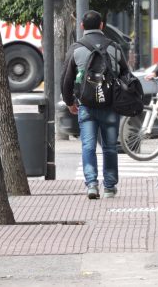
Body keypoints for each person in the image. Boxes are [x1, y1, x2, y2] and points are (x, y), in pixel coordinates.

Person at [61, 10, 131, 200]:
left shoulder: (76, 48)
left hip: (87, 105)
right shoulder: (115, 48)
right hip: (110, 106)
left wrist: (69, 102)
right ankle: (109, 187)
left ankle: (91, 184)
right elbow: (126, 74)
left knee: (88, 146)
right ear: (102, 25)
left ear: (82, 26)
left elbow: (66, 80)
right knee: (109, 147)